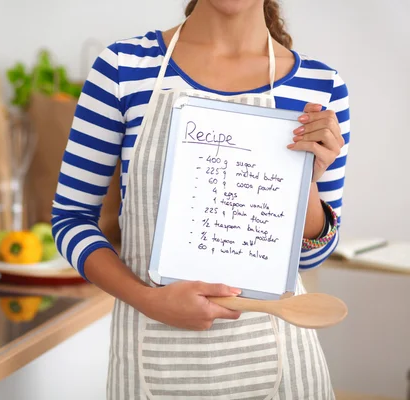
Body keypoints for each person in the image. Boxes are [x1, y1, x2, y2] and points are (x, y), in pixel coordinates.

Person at [52, 0, 349, 398]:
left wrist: (306, 180)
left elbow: (310, 257)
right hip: (150, 360)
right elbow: (70, 219)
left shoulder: (321, 85)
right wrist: (148, 299)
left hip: (283, 370)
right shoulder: (124, 69)